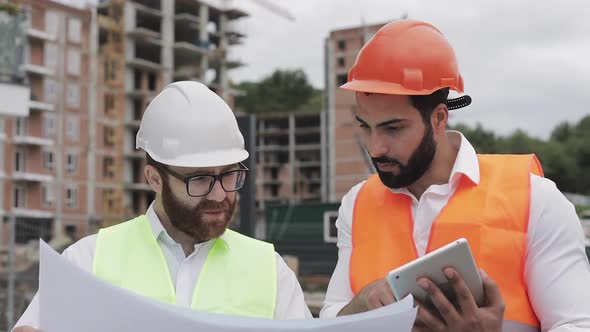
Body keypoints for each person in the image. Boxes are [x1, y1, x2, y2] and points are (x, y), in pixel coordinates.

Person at [319, 19, 590, 331]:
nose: (375, 148)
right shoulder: (356, 203)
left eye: (393, 128)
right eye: (365, 126)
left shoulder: (535, 199)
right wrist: (359, 306)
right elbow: (331, 320)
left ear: (438, 117)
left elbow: (578, 325)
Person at [14, 81, 312, 331]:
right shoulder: (86, 262)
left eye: (230, 175)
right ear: (154, 178)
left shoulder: (270, 271)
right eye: (200, 179)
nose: (220, 195)